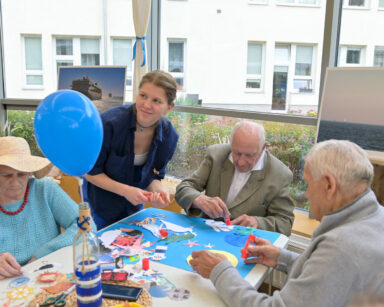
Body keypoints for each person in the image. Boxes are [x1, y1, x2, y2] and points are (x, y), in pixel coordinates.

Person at [189, 139, 384, 307]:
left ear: (329, 185)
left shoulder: (340, 246)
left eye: (308, 184)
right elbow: (333, 276)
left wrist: (220, 271)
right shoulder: (376, 217)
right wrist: (282, 258)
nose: (307, 195)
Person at [86, 70, 179, 229]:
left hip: (134, 208)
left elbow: (154, 176)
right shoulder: (109, 123)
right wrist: (126, 191)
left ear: (169, 108)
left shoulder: (170, 136)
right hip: (99, 207)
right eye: (143, 96)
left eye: (156, 101)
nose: (146, 105)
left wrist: (158, 193)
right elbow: (90, 172)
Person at [175, 120, 294, 236]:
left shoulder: (280, 174)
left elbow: (285, 223)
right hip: (205, 234)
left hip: (243, 243)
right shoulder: (216, 155)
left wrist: (258, 222)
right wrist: (199, 200)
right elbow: (183, 188)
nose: (241, 162)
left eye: (249, 155)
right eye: (236, 153)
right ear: (231, 144)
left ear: (262, 148)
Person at [0, 136, 91, 279]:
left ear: (30, 172)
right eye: (7, 175)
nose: (15, 181)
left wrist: (44, 252)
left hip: (50, 272)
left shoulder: (44, 189)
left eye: (22, 174)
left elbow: (85, 224)